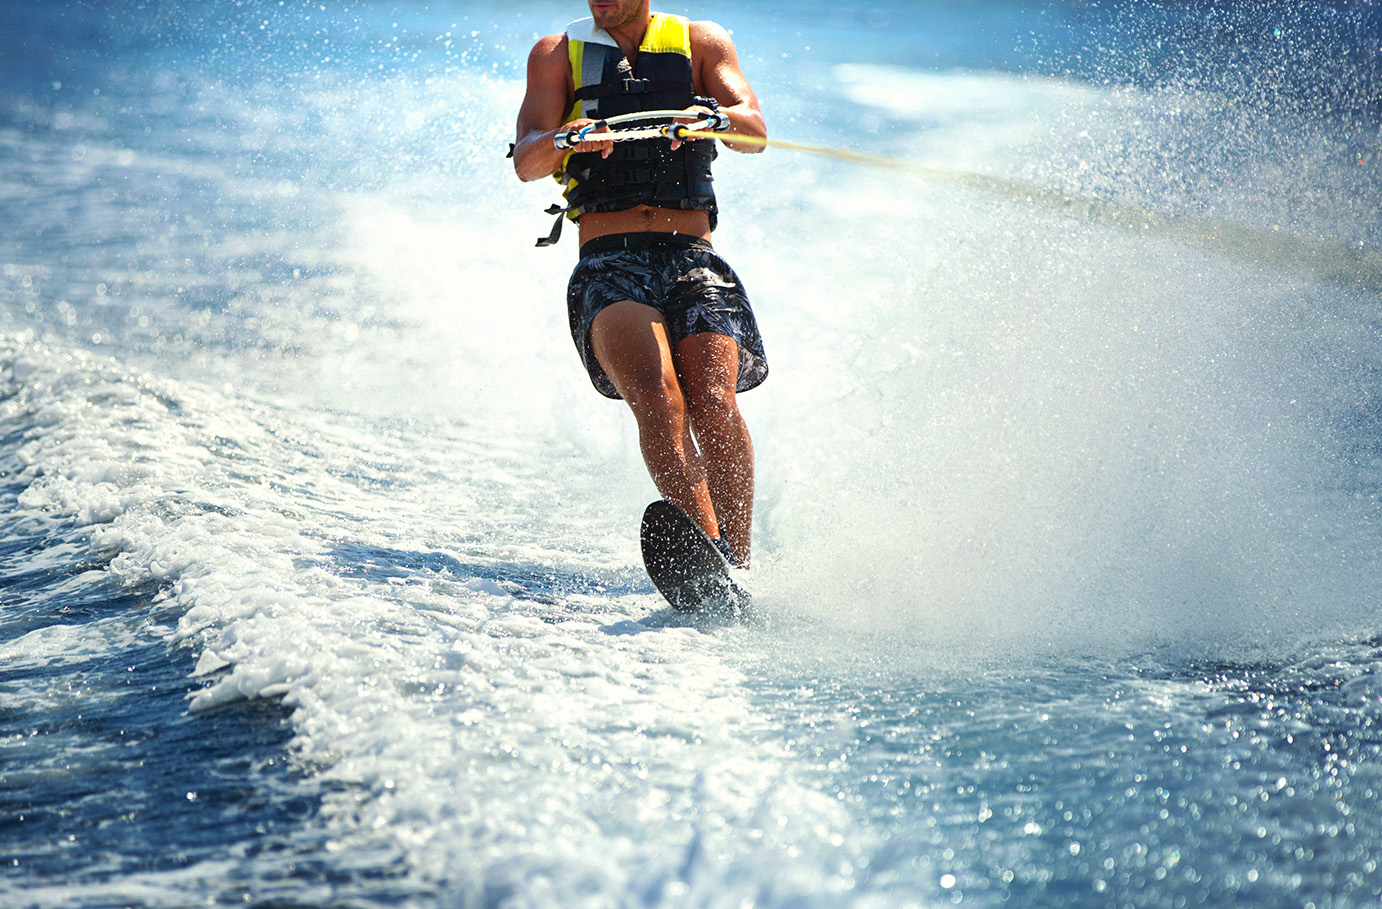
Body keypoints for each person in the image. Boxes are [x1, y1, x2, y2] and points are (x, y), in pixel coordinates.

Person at [512, 0, 768, 569]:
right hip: (610, 263)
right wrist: (564, 139)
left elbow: (754, 132)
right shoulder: (556, 54)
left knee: (713, 399)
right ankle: (710, 551)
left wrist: (715, 119)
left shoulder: (703, 41)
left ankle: (740, 567)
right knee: (658, 395)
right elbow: (526, 161)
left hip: (693, 258)